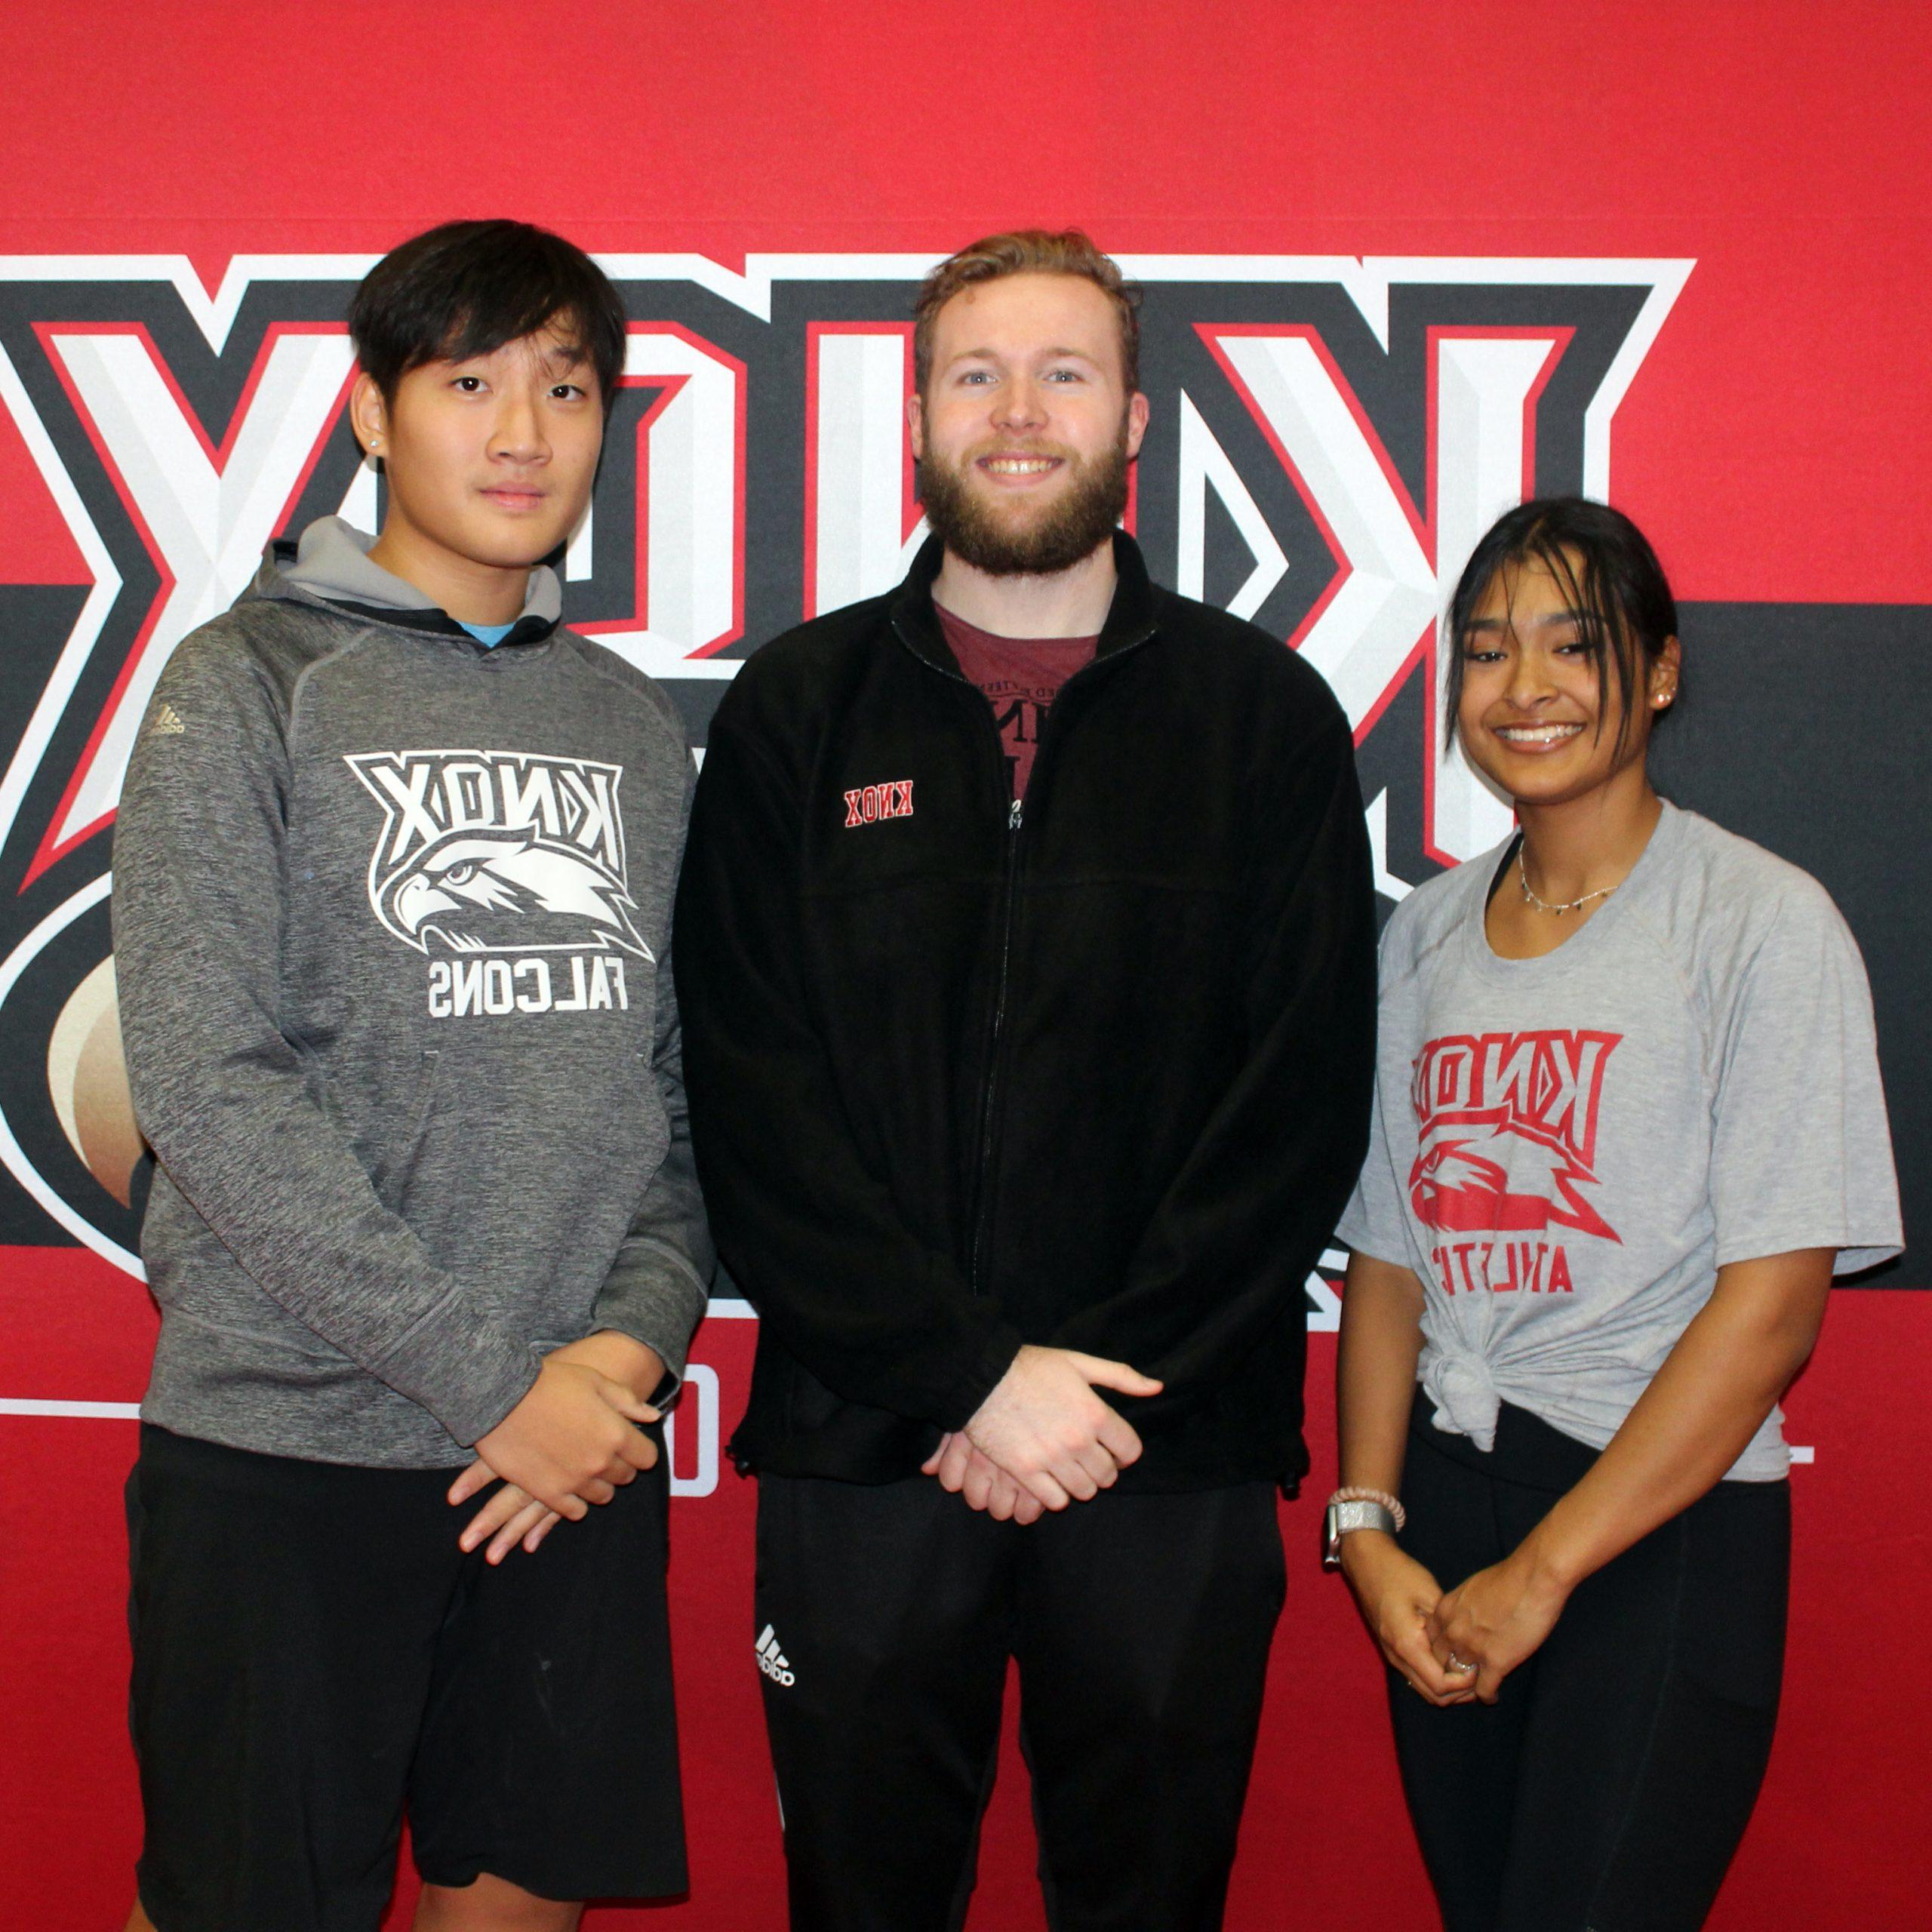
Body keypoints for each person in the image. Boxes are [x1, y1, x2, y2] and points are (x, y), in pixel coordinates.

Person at [675, 229, 1378, 1932]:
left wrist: (1086, 1391)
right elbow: (751, 1092)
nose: (1016, 412)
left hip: (1166, 1449)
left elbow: (1294, 1108)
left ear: (1133, 419)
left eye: (1062, 371)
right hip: (870, 1444)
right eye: (973, 372)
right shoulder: (796, 708)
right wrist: (968, 1377)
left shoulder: (1262, 718)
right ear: (917, 414)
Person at [112, 219, 712, 1932]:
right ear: (374, 411)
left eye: (567, 384)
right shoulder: (243, 684)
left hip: (565, 1463)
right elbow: (208, 1081)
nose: (524, 430)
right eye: (469, 382)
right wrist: (492, 1379)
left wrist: (616, 1348)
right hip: (291, 1454)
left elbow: (667, 1092)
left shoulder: (624, 721)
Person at [1331, 497, 1901, 1931]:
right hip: (1449, 1518)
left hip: (1657, 1531)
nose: (1524, 688)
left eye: (1573, 646)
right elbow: (1394, 1256)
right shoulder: (1428, 932)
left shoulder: (1761, 924)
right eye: (1486, 649)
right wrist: (1369, 1526)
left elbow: (1771, 1313)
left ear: (1656, 670)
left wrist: (1547, 1570)